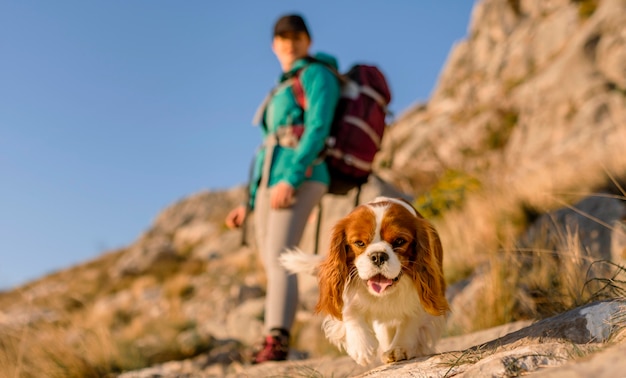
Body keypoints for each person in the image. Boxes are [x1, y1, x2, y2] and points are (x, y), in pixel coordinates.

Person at [225, 14, 341, 363]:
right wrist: (247, 201)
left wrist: (292, 176)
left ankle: (277, 343)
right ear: (274, 45)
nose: (289, 43)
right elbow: (267, 146)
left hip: (303, 173)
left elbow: (318, 127)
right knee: (271, 260)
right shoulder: (280, 87)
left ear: (308, 41)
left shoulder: (317, 74)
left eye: (296, 37)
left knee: (280, 257)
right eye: (282, 38)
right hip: (268, 181)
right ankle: (271, 339)